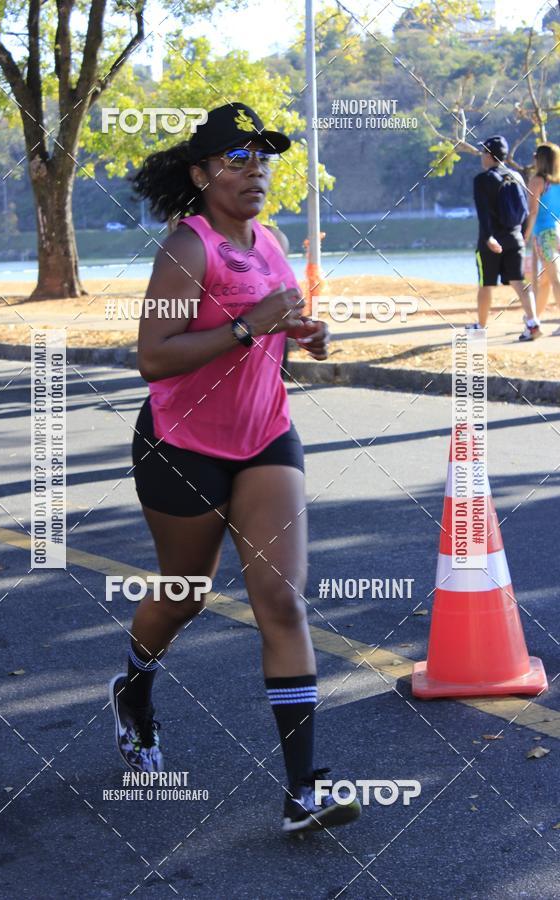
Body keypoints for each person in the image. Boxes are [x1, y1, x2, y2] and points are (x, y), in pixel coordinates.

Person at [108, 103, 361, 834]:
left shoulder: (272, 240)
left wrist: (303, 334)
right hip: (182, 446)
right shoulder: (188, 250)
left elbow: (272, 336)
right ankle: (134, 688)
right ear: (202, 173)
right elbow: (153, 357)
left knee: (281, 604)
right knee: (185, 595)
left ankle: (303, 788)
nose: (254, 170)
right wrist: (249, 326)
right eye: (236, 158)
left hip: (265, 438)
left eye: (263, 158)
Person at [472, 135, 541, 340]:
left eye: (483, 152)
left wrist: (488, 238)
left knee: (486, 284)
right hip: (515, 238)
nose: (481, 156)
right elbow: (527, 210)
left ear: (489, 155)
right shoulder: (518, 177)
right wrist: (523, 236)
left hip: (492, 240)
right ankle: (533, 323)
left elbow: (483, 213)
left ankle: (480, 328)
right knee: (519, 281)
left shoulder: (482, 180)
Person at [523, 142, 560, 326]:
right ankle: (534, 317)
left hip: (544, 234)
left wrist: (525, 236)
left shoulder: (537, 181)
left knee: (555, 280)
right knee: (546, 280)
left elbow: (533, 212)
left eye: (536, 156)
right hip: (558, 231)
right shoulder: (557, 182)